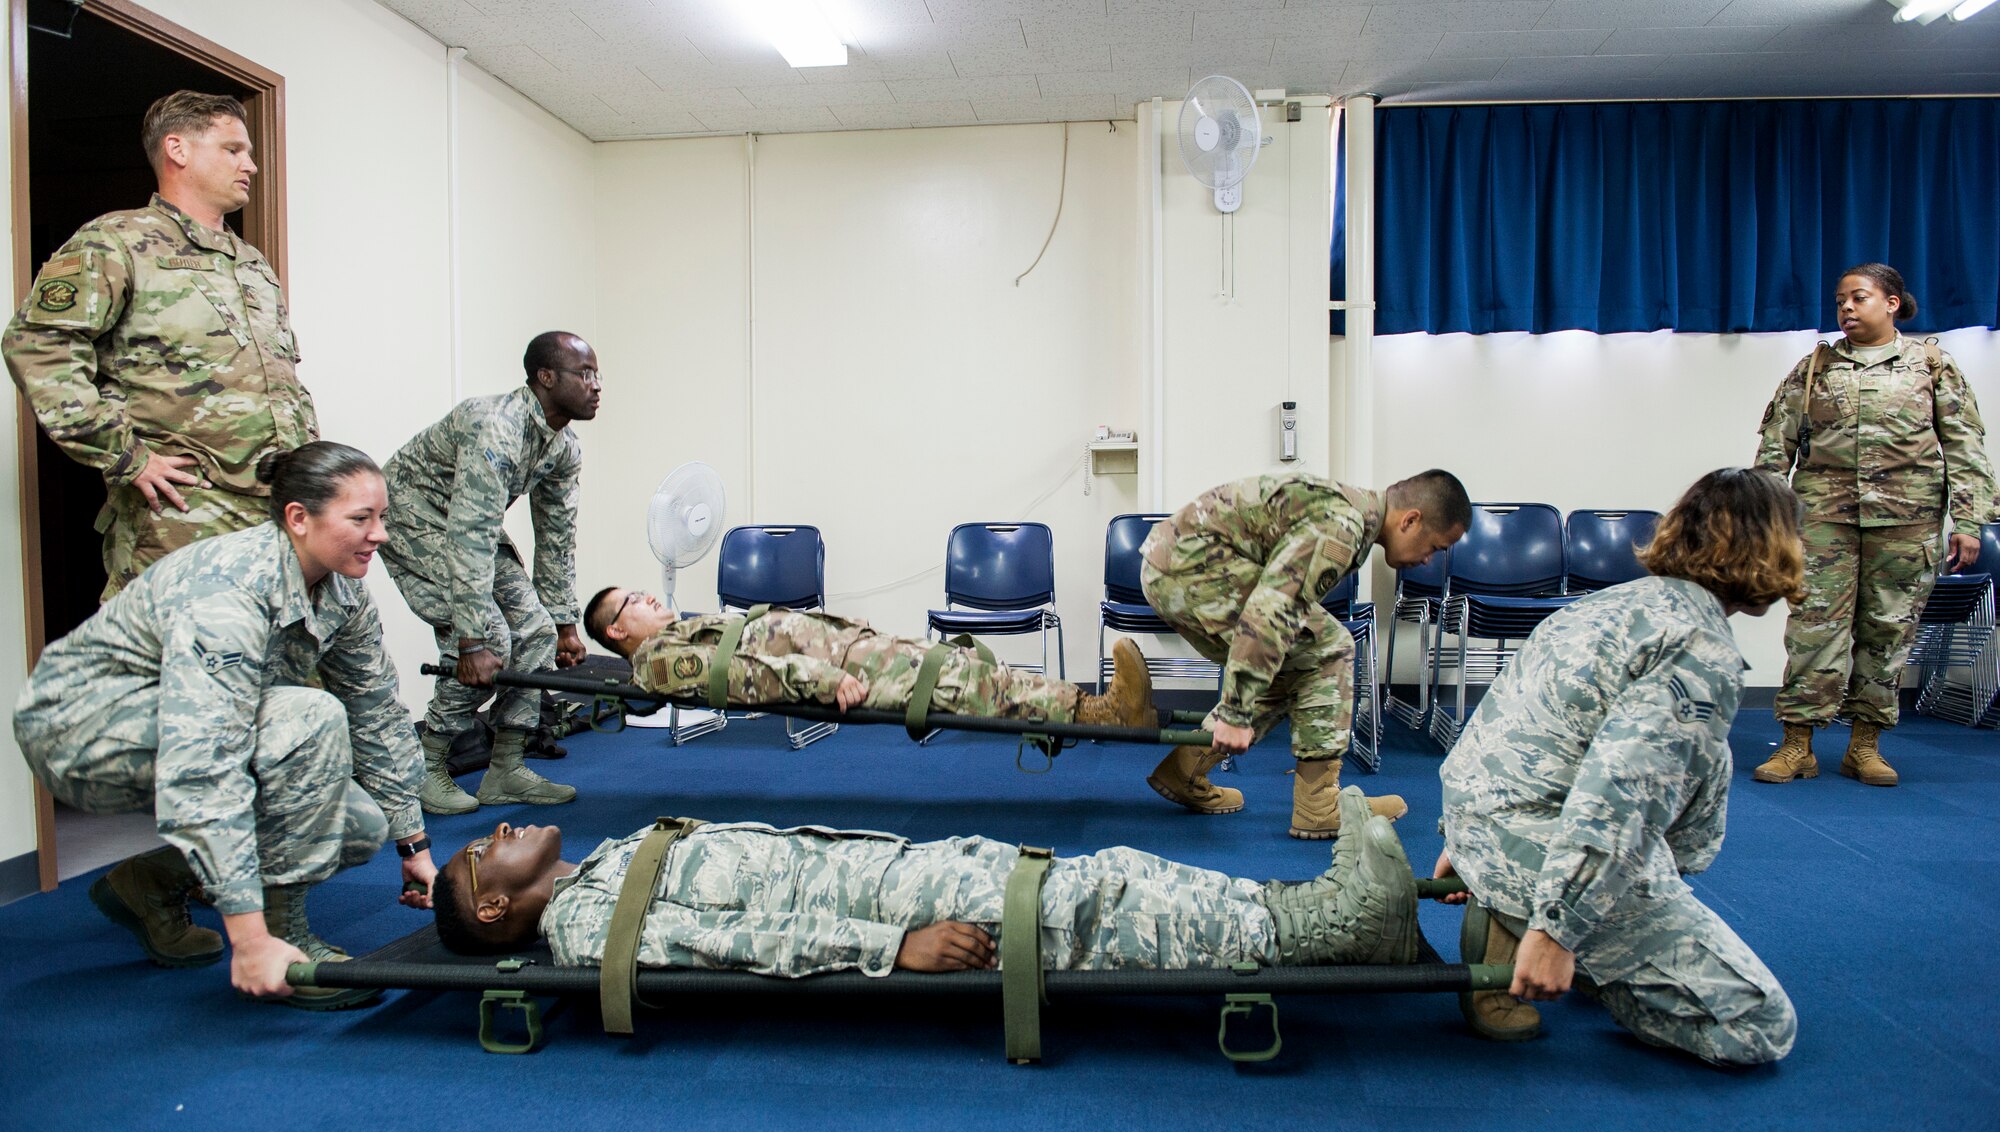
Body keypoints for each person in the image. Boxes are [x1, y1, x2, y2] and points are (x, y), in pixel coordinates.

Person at [13, 442, 430, 1011]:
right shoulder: (228, 589)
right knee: (309, 718)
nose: (379, 534)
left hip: (175, 722)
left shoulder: (340, 589)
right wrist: (251, 940)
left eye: (381, 517)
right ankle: (284, 943)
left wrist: (414, 844)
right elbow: (204, 762)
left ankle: (153, 884)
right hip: (79, 729)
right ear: (298, 518)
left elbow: (376, 709)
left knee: (357, 824)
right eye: (361, 519)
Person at [1431, 468, 1803, 1067]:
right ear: (1774, 549)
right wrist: (1558, 932)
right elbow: (1617, 798)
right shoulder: (1696, 647)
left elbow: (1510, 718)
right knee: (1760, 1024)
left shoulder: (1611, 604)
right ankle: (1563, 946)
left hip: (1487, 815)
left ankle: (1525, 906)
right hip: (1539, 840)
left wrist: (1466, 835)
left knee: (1708, 762)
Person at [429, 788, 1419, 976]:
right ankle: (1323, 931)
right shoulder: (586, 921)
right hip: (874, 912)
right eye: (488, 851)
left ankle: (1288, 906)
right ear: (491, 905)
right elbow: (729, 943)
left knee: (1098, 872)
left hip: (881, 868)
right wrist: (888, 949)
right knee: (1087, 912)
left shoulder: (599, 864)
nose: (499, 827)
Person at [3, 91, 316, 599]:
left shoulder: (251, 262)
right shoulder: (117, 240)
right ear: (178, 149)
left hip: (275, 514)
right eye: (234, 150)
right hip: (181, 519)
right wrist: (126, 455)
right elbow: (39, 344)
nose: (252, 166)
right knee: (177, 666)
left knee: (261, 662)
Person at [1752, 263, 1996, 787]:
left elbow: (1965, 446)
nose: (1845, 308)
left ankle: (1865, 745)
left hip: (1907, 522)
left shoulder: (1930, 365)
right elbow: (1777, 445)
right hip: (1822, 521)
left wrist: (1970, 521)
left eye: (1858, 297)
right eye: (1840, 299)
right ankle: (1797, 745)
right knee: (1814, 628)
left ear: (1891, 302)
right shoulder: (1814, 365)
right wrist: (1767, 521)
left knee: (1888, 632)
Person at [1140, 469, 1471, 837]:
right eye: (1436, 547)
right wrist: (1234, 712)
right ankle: (1319, 805)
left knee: (1295, 662)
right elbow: (1272, 610)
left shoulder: (1351, 517)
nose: (1428, 560)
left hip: (1180, 566)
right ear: (1411, 520)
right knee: (1331, 649)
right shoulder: (1342, 527)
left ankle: (1185, 769)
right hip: (1190, 571)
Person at [381, 332, 598, 816]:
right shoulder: (496, 428)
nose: (596, 385)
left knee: (536, 631)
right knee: (491, 638)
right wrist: (471, 644)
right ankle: (428, 766)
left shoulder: (563, 447)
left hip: (468, 526)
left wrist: (564, 625)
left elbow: (557, 536)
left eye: (596, 375)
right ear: (546, 377)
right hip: (412, 517)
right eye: (584, 374)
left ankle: (505, 769)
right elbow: (470, 535)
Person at [585, 588, 1156, 730]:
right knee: (967, 687)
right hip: (844, 671)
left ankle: (1096, 708)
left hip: (853, 650)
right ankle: (1104, 713)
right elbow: (741, 678)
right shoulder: (656, 662)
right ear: (616, 631)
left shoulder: (683, 629)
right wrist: (823, 680)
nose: (647, 596)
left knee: (968, 672)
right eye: (632, 602)